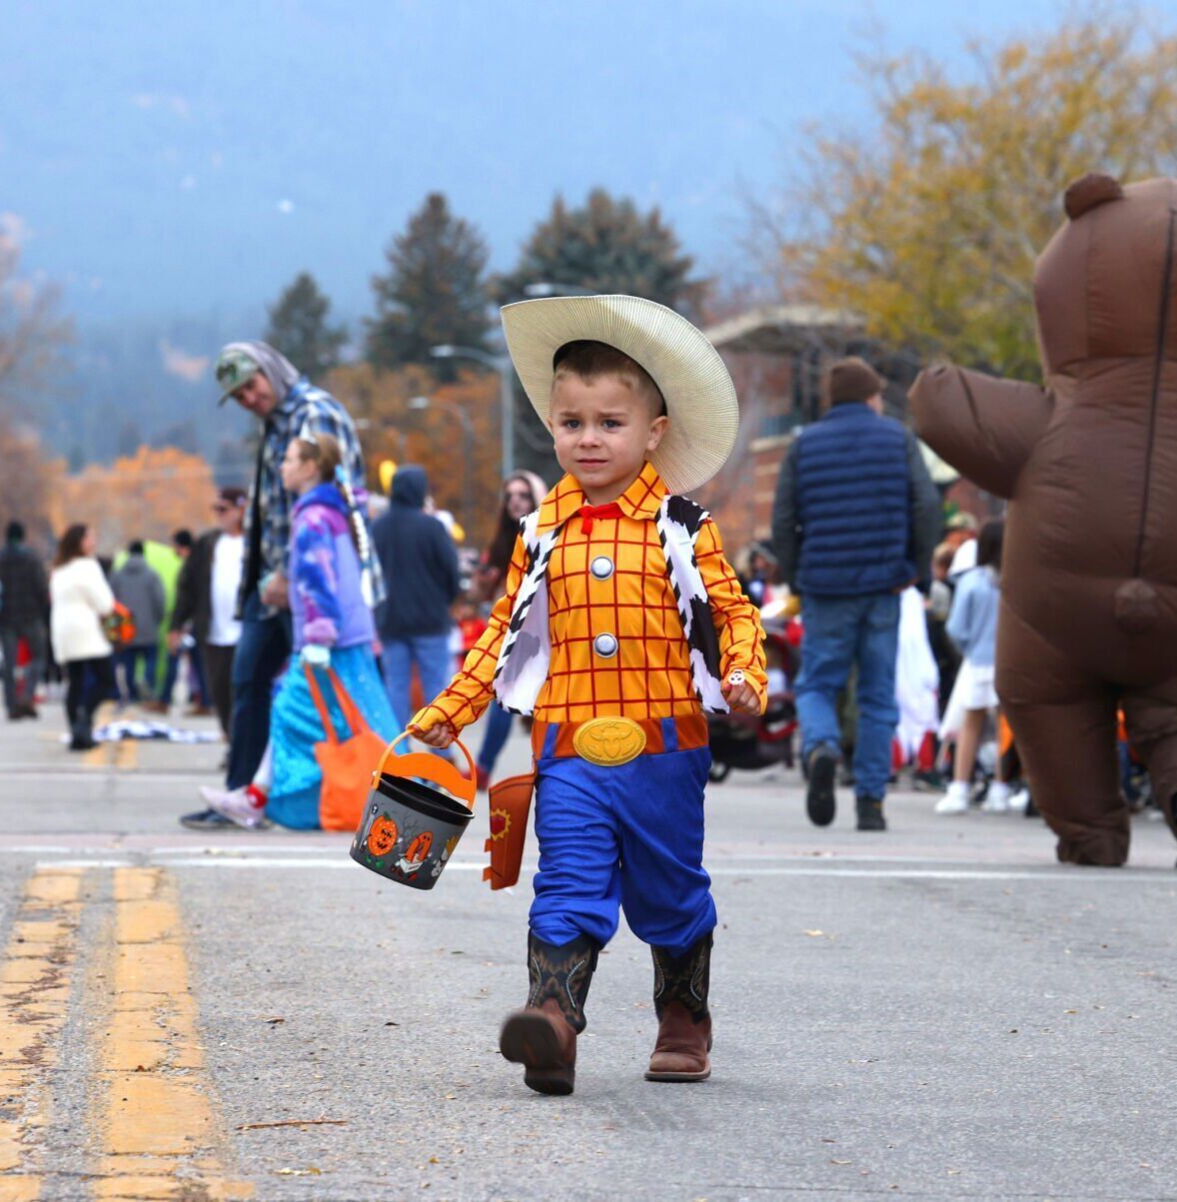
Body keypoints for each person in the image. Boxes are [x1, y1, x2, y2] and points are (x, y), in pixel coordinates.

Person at [411, 296, 768, 1096]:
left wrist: (745, 675)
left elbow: (731, 610)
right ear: (552, 429)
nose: (589, 438)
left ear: (654, 433)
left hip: (665, 749)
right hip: (567, 745)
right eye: (571, 422)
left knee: (668, 891)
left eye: (610, 422)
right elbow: (505, 632)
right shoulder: (542, 530)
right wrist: (449, 711)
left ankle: (683, 1017)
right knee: (566, 879)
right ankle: (553, 1021)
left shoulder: (681, 524)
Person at [179, 341, 367, 831]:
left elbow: (328, 498)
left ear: (271, 372)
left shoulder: (314, 414)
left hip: (311, 586)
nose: (248, 398)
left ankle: (380, 786)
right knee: (250, 683)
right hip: (273, 586)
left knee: (340, 692)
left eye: (250, 386)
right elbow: (274, 510)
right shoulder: (279, 423)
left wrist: (291, 574)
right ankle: (243, 797)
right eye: (237, 395)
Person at [771, 357, 941, 831]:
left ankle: (821, 745)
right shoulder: (898, 438)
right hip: (885, 583)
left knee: (817, 684)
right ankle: (871, 802)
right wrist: (917, 568)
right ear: (871, 396)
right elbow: (926, 505)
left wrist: (796, 574)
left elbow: (783, 519)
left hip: (825, 587)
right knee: (877, 694)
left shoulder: (804, 446)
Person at [207, 435, 399, 830]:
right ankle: (259, 798)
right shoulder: (334, 511)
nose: (282, 466)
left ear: (311, 467)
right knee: (358, 719)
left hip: (327, 641)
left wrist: (318, 637)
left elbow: (317, 579)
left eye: (291, 459)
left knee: (298, 715)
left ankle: (262, 799)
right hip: (346, 636)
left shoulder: (311, 517)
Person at [372, 464, 462, 735]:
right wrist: (446, 599)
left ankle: (398, 756)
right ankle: (439, 757)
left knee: (395, 687)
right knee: (435, 686)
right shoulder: (431, 526)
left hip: (391, 621)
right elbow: (451, 571)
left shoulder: (377, 528)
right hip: (430, 618)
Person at [470, 471, 546, 789]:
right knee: (503, 698)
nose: (515, 500)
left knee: (548, 705)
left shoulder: (548, 533)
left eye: (523, 495)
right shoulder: (502, 540)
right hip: (513, 632)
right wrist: (483, 581)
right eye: (510, 495)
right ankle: (484, 769)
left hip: (550, 630)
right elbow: (481, 594)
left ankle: (549, 769)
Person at [935, 519, 1005, 814]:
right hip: (1008, 662)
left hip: (977, 661)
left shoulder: (972, 582)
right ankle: (1002, 788)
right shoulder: (1016, 580)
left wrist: (968, 650)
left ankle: (959, 787)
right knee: (1006, 729)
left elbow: (956, 628)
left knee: (970, 726)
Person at [172, 488, 247, 738]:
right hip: (213, 632)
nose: (219, 515)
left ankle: (244, 747)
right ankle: (231, 740)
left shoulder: (254, 543)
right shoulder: (207, 544)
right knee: (219, 692)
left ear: (240, 510)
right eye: (215, 509)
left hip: (246, 632)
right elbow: (187, 587)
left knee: (245, 691)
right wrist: (176, 625)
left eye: (223, 509)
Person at [49, 523, 118, 752]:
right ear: (79, 541)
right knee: (107, 681)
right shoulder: (88, 567)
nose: (94, 542)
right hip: (87, 630)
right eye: (90, 538)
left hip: (63, 631)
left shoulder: (59, 569)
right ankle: (84, 719)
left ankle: (77, 734)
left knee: (75, 683)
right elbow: (105, 603)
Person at [0, 520, 51, 720]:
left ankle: (11, 705)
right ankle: (27, 695)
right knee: (39, 657)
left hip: (6, 618)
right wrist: (44, 611)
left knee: (8, 664)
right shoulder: (32, 559)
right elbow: (42, 588)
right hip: (31, 616)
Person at [111, 540, 167, 708]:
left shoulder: (117, 575)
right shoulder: (152, 575)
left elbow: (111, 602)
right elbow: (160, 600)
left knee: (128, 663)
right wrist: (158, 619)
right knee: (150, 659)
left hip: (126, 627)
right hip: (149, 625)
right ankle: (146, 682)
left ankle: (132, 693)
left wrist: (115, 628)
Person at [158, 529, 207, 715]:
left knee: (175, 660)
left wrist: (176, 626)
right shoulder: (202, 564)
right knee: (199, 664)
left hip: (189, 625)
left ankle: (164, 699)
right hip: (196, 624)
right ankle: (206, 702)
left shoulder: (190, 567)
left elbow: (184, 599)